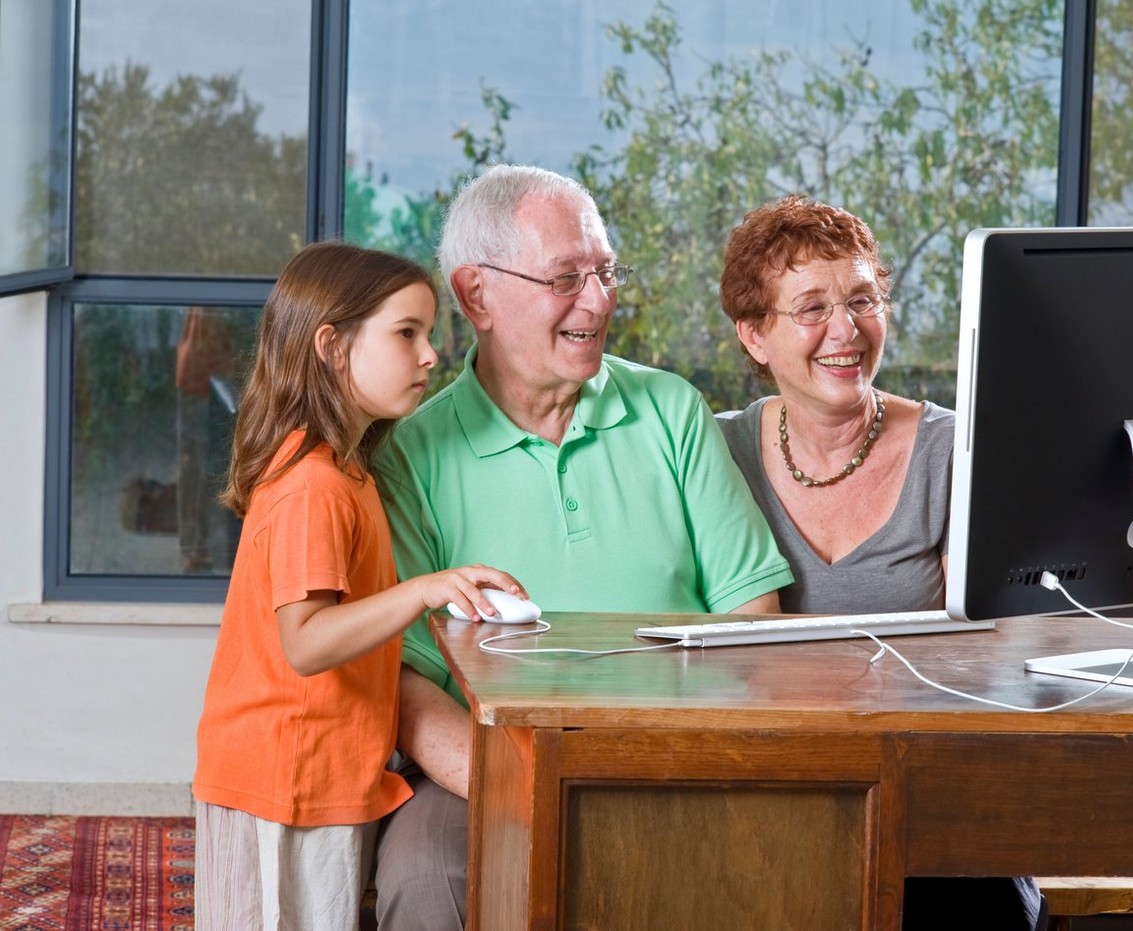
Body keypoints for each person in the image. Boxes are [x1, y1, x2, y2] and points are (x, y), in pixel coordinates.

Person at [371, 164, 793, 929]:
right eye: (567, 277)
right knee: (429, 880)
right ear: (476, 296)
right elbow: (406, 685)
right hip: (492, 770)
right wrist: (522, 783)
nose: (598, 301)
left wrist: (678, 767)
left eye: (604, 271)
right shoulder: (410, 455)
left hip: (683, 759)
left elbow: (753, 618)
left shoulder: (670, 410)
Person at [716, 194, 1047, 931]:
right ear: (754, 335)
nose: (846, 329)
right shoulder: (716, 454)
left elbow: (995, 656)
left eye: (863, 299)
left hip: (932, 780)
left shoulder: (954, 449)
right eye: (811, 308)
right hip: (774, 781)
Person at [192, 241, 527, 930]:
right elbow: (307, 643)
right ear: (332, 345)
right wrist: (426, 590)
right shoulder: (312, 484)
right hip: (286, 781)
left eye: (429, 333)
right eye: (407, 333)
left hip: (323, 775)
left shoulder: (350, 473)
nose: (431, 354)